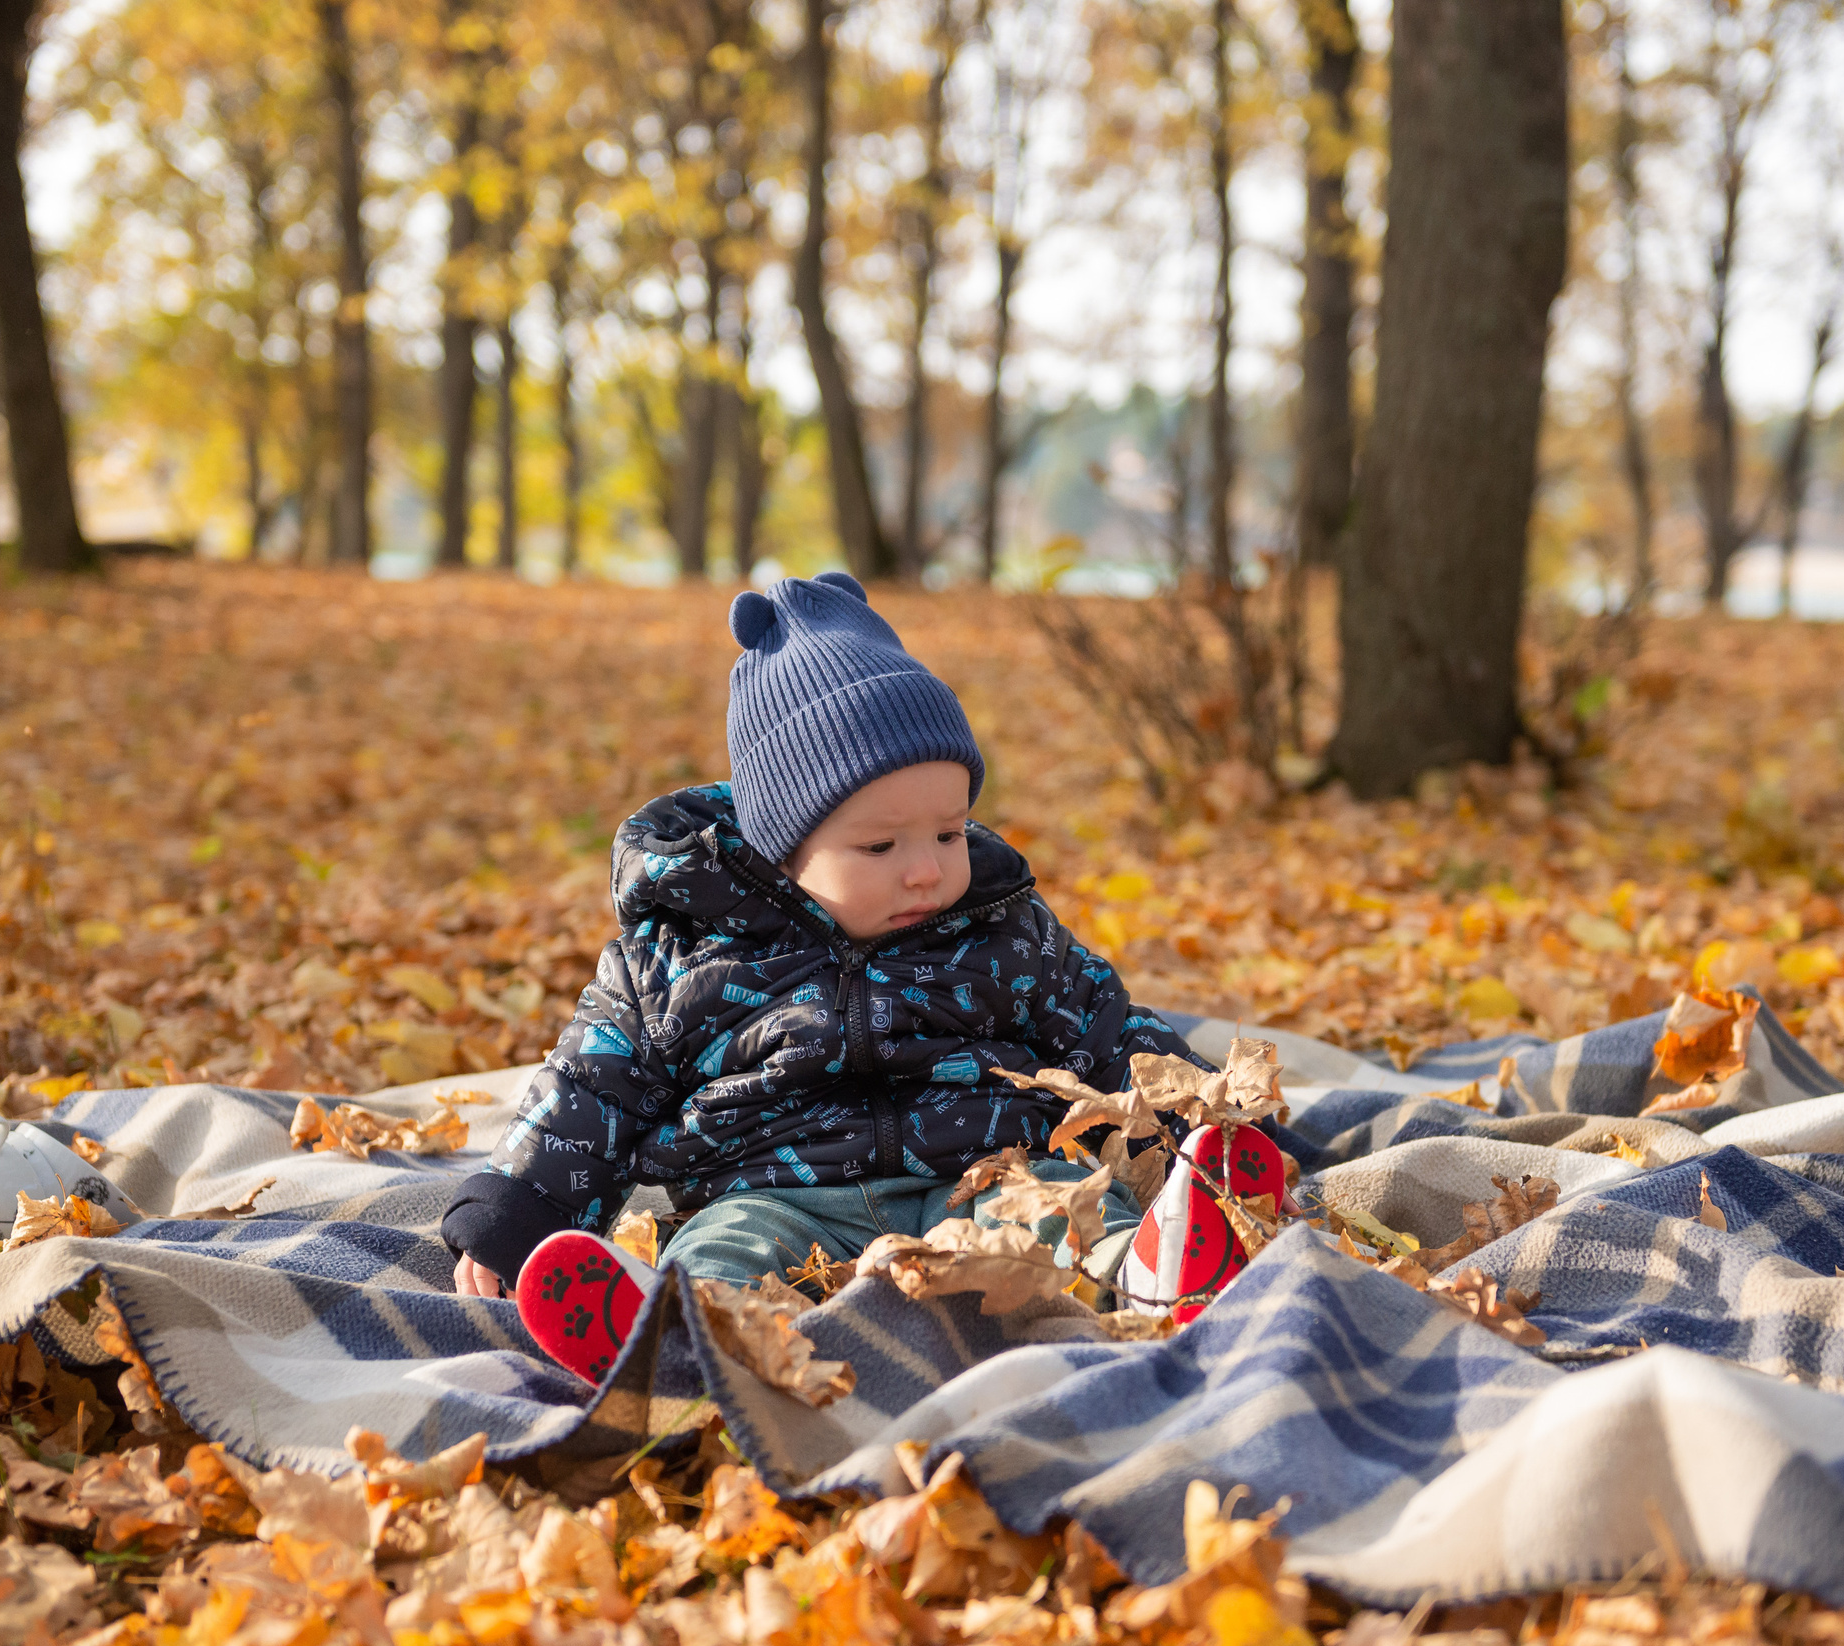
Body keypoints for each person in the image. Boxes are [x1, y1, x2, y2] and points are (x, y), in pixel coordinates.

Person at [442, 571, 1253, 1384]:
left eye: (948, 832)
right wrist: (517, 1212)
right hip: (775, 1190)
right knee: (725, 1250)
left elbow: (1106, 1028)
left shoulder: (1002, 927)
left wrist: (1202, 1117)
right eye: (881, 847)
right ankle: (678, 1336)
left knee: (1057, 1206)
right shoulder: (685, 953)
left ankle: (1157, 1266)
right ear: (784, 851)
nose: (927, 872)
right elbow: (592, 1086)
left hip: (976, 1169)